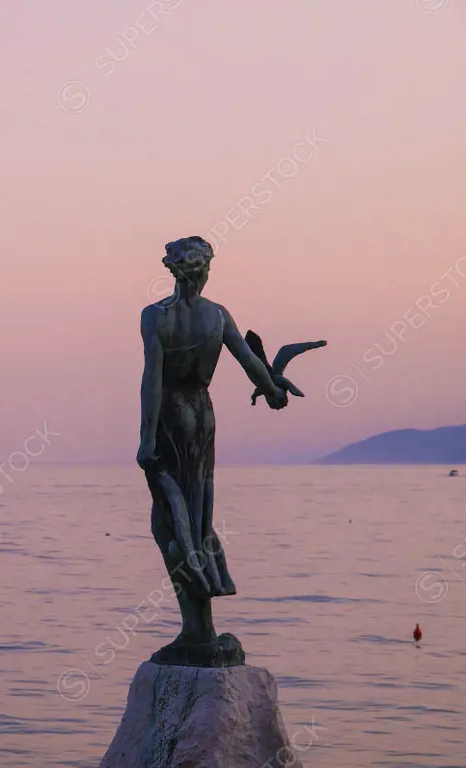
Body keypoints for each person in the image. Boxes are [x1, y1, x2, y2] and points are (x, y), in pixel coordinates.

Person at [136, 236, 287, 650]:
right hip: (203, 418)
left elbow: (153, 377)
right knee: (197, 519)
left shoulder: (155, 316)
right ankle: (201, 624)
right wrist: (272, 389)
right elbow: (250, 361)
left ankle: (196, 629)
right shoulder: (217, 316)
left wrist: (146, 438)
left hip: (171, 417)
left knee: (169, 522)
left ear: (172, 269)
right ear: (204, 271)